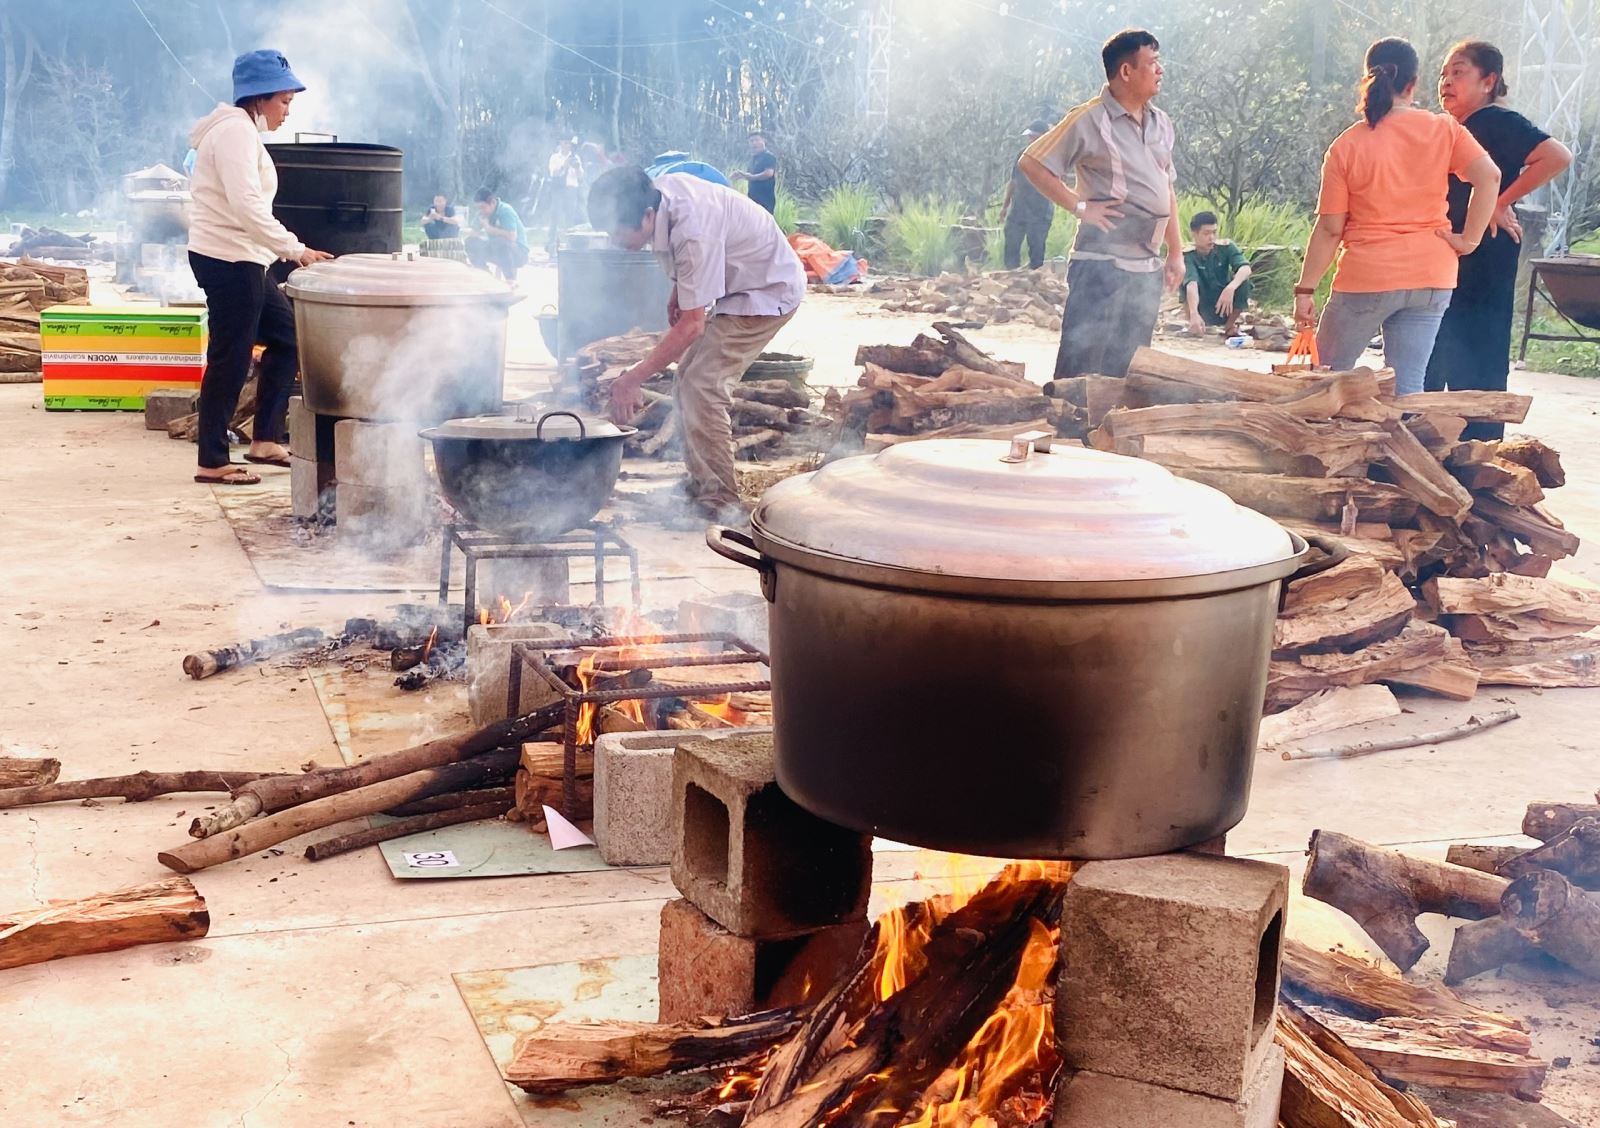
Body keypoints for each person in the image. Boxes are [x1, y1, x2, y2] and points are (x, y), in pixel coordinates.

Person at [587, 166, 805, 524]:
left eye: (616, 230)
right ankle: (701, 485)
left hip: (768, 290)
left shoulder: (693, 230)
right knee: (685, 379)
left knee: (703, 385)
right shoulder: (659, 193)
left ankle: (722, 502)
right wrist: (682, 288)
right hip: (741, 281)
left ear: (646, 215)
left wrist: (632, 378)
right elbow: (694, 269)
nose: (612, 238)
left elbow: (691, 326)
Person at [1293, 38, 1500, 396]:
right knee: (1407, 386)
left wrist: (1305, 288)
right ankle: (1398, 451)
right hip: (1432, 276)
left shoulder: (1347, 145)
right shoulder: (1444, 129)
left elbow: (1329, 230)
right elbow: (1490, 177)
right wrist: (1468, 241)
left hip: (1369, 276)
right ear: (1413, 83)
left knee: (1322, 379)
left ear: (1366, 79)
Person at [186, 49, 331, 486]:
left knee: (288, 338)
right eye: (284, 101)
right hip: (229, 258)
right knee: (230, 356)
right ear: (260, 97)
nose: (287, 111)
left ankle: (264, 438)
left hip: (246, 257)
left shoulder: (242, 130)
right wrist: (295, 249)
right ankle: (211, 460)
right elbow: (247, 206)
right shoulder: (234, 133)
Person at [1426, 40, 1573, 438]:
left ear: (1488, 81)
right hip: (1452, 253)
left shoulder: (1494, 121)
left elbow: (1557, 156)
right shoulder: (1453, 129)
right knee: (1438, 348)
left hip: (1484, 255)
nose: (1446, 83)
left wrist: (1498, 202)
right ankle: (1433, 448)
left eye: (1458, 73)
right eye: (1443, 74)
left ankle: (1478, 453)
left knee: (1476, 353)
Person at [1019, 29, 1186, 378]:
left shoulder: (1161, 123)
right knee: (1082, 365)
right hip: (1100, 265)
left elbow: (1166, 189)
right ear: (1126, 71)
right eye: (1152, 63)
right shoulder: (1089, 118)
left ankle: (1113, 429)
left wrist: (1175, 252)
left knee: (1130, 367)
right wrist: (1081, 207)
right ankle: (1070, 425)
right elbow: (1032, 163)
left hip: (1146, 268)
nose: (1160, 70)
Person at [1182, 210, 1252, 336]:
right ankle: (1195, 323)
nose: (1211, 237)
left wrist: (1230, 288)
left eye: (1214, 232)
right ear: (1195, 234)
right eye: (1206, 233)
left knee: (1244, 281)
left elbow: (1245, 268)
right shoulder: (1188, 255)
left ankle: (1229, 326)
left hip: (1224, 302)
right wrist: (1194, 313)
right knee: (1184, 282)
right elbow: (1191, 284)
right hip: (1201, 304)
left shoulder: (1226, 247)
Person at [999, 120, 1055, 270]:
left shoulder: (1052, 157)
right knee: (1011, 244)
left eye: (1034, 137)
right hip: (1019, 209)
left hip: (1040, 211)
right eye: (1029, 137)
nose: (1030, 140)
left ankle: (1035, 282)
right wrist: (1005, 207)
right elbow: (1013, 181)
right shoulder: (1022, 155)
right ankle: (1011, 278)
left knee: (1036, 249)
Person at [464, 187, 528, 279]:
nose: (481, 210)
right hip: (497, 250)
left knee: (500, 242)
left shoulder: (505, 210)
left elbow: (512, 237)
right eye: (478, 208)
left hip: (518, 253)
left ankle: (510, 280)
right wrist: (475, 237)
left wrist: (488, 228)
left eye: (483, 207)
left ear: (493, 203)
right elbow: (473, 234)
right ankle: (486, 276)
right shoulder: (482, 214)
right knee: (469, 242)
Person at [546, 138, 585, 252]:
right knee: (555, 217)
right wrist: (565, 165)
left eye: (569, 143)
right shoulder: (554, 157)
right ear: (560, 143)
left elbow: (581, 177)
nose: (567, 145)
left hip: (571, 190)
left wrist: (577, 167)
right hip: (558, 190)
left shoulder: (575, 157)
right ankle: (551, 244)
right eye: (565, 143)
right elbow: (553, 173)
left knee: (570, 219)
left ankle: (570, 245)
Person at [731, 132, 779, 215]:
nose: (754, 143)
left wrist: (751, 177)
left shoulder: (768, 156)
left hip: (765, 199)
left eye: (757, 140)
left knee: (764, 224)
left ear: (764, 140)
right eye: (751, 141)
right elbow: (750, 175)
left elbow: (768, 174)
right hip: (752, 198)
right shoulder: (753, 159)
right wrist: (741, 175)